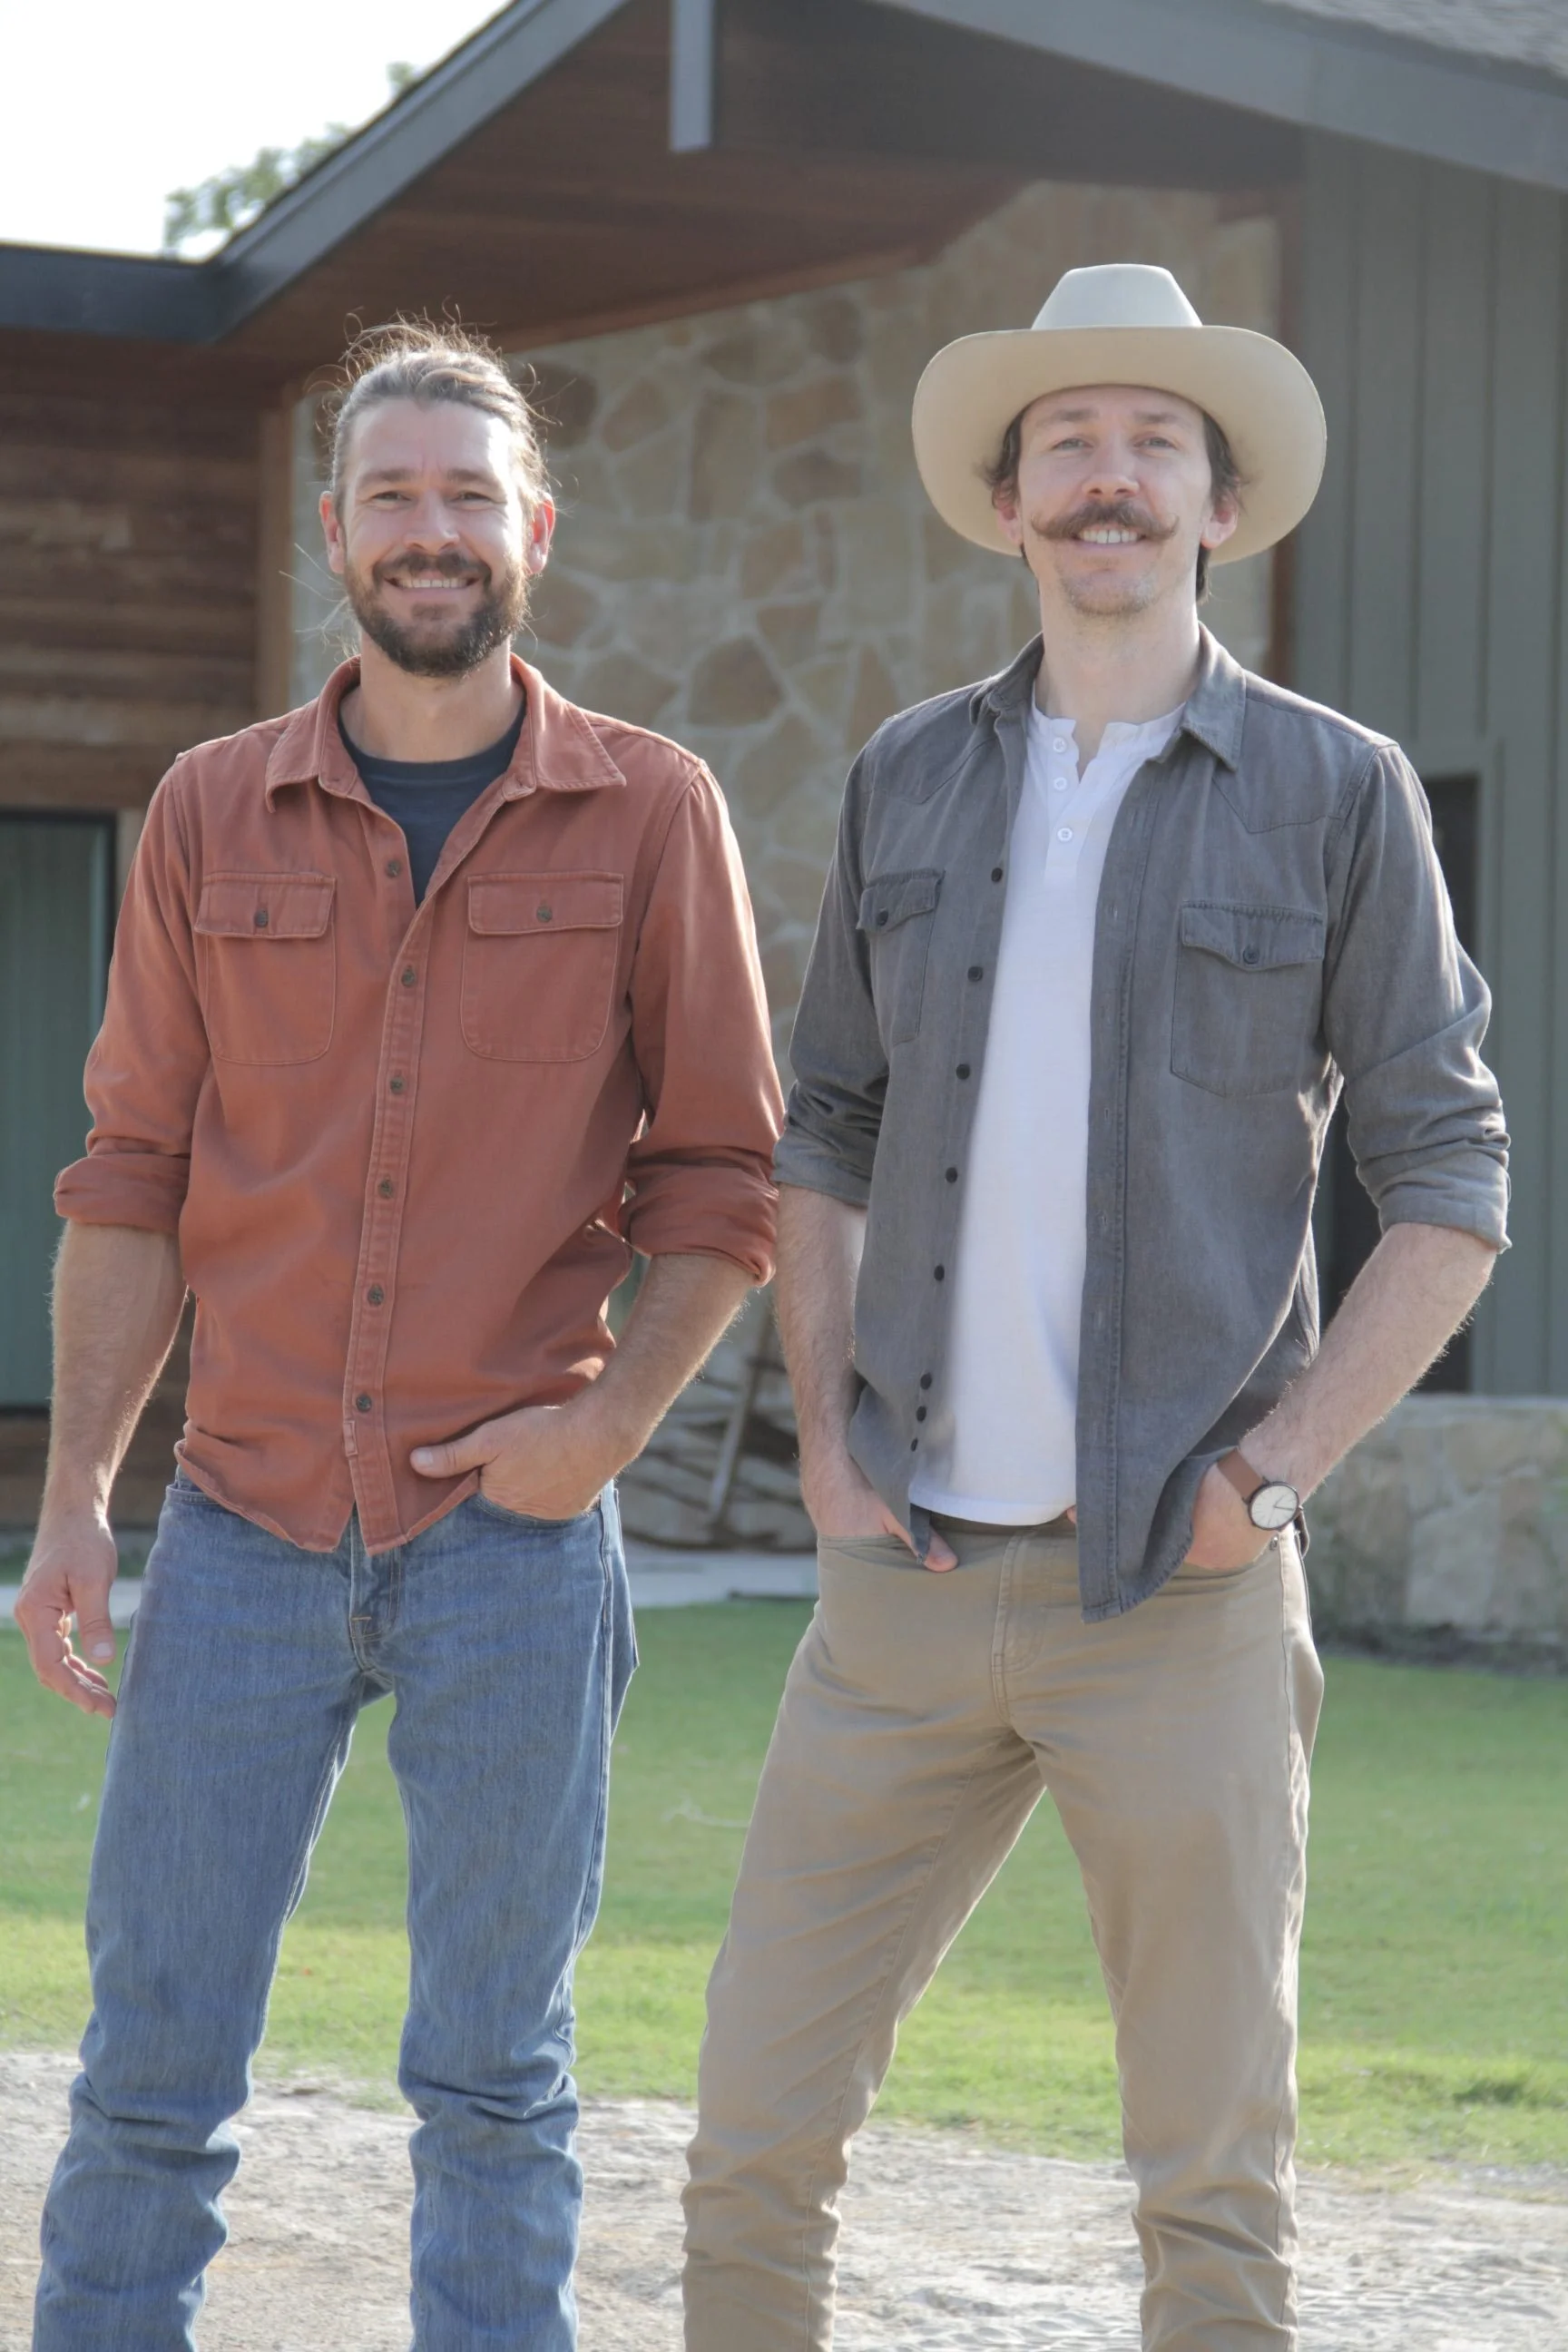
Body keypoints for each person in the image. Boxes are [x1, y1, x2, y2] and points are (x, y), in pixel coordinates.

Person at [681, 263, 1508, 2350]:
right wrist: (829, 1445)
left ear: (1221, 505)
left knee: (1212, 2186)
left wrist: (1276, 1473)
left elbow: (1451, 1177)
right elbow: (825, 1125)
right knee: (753, 2139)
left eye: (1154, 442)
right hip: (899, 1588)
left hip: (1183, 1596)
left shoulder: (1340, 791)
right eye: (1067, 441)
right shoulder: (906, 777)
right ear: (1010, 500)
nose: (1107, 476)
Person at [17, 323, 783, 2352]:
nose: (430, 531)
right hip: (242, 1530)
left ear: (535, 528)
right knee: (151, 2070)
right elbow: (130, 1176)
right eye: (391, 496)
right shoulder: (208, 812)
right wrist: (79, 1495)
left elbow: (725, 1176)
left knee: (497, 2083)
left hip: (513, 1545)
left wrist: (604, 1435)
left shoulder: (652, 811)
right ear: (333, 531)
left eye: (467, 495)